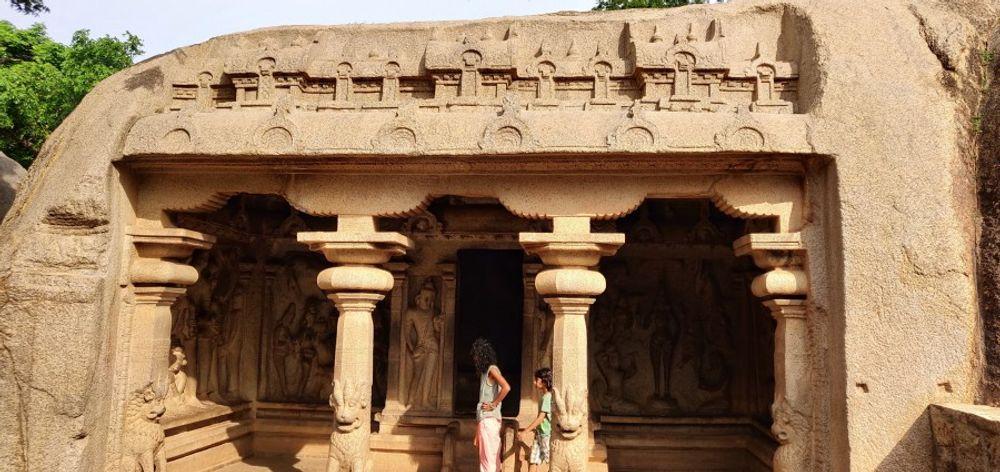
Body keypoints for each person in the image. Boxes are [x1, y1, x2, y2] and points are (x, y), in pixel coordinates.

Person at [471, 338, 510, 472]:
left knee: (489, 462)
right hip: (485, 421)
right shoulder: (484, 373)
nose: (475, 359)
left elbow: (506, 387)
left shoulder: (492, 369)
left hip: (489, 421)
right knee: (489, 460)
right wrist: (478, 432)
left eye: (476, 355)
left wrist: (494, 404)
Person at [519, 368, 553, 471]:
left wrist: (525, 431)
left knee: (551, 462)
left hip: (547, 435)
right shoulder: (544, 397)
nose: (534, 382)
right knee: (533, 460)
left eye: (536, 380)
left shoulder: (548, 397)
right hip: (540, 434)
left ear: (544, 381)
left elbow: (541, 418)